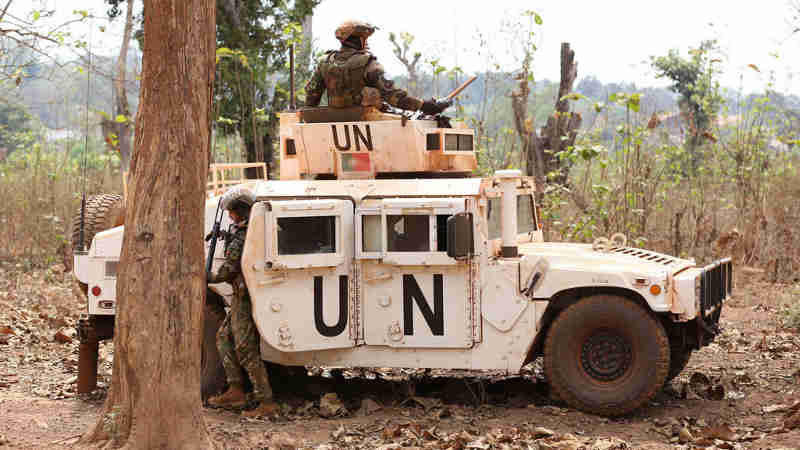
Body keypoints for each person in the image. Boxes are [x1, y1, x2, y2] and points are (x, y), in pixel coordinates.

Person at [207, 188, 278, 417]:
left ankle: (266, 402)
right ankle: (235, 389)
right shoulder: (244, 231)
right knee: (223, 337)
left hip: (246, 298)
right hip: (240, 296)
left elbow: (229, 270)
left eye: (232, 212)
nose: (230, 217)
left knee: (245, 348)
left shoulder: (243, 234)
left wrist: (206, 276)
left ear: (241, 211)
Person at [304, 20, 452, 115]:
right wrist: (425, 106)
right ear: (359, 40)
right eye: (365, 39)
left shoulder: (324, 62)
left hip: (333, 124)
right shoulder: (368, 64)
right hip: (367, 123)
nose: (366, 43)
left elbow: (311, 96)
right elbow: (393, 96)